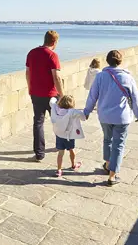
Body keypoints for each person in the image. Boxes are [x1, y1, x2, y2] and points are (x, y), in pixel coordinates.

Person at [84, 50, 138, 186]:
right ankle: (112, 176)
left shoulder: (100, 76)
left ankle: (108, 164)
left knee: (107, 139)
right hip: (122, 117)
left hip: (104, 116)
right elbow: (136, 98)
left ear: (107, 61)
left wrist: (86, 111)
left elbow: (92, 96)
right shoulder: (127, 77)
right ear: (120, 61)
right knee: (118, 145)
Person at [25, 30, 63, 161]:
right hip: (52, 95)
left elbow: (28, 73)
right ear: (54, 42)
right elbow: (56, 77)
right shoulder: (52, 55)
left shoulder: (32, 53)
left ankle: (39, 153)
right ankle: (60, 145)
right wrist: (62, 95)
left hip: (35, 93)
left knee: (38, 123)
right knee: (58, 121)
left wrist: (30, 89)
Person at [50, 94, 86, 177]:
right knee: (71, 150)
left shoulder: (55, 108)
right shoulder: (72, 112)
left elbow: (51, 101)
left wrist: (56, 96)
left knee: (60, 153)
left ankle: (59, 170)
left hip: (59, 135)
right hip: (69, 136)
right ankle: (73, 164)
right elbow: (83, 117)